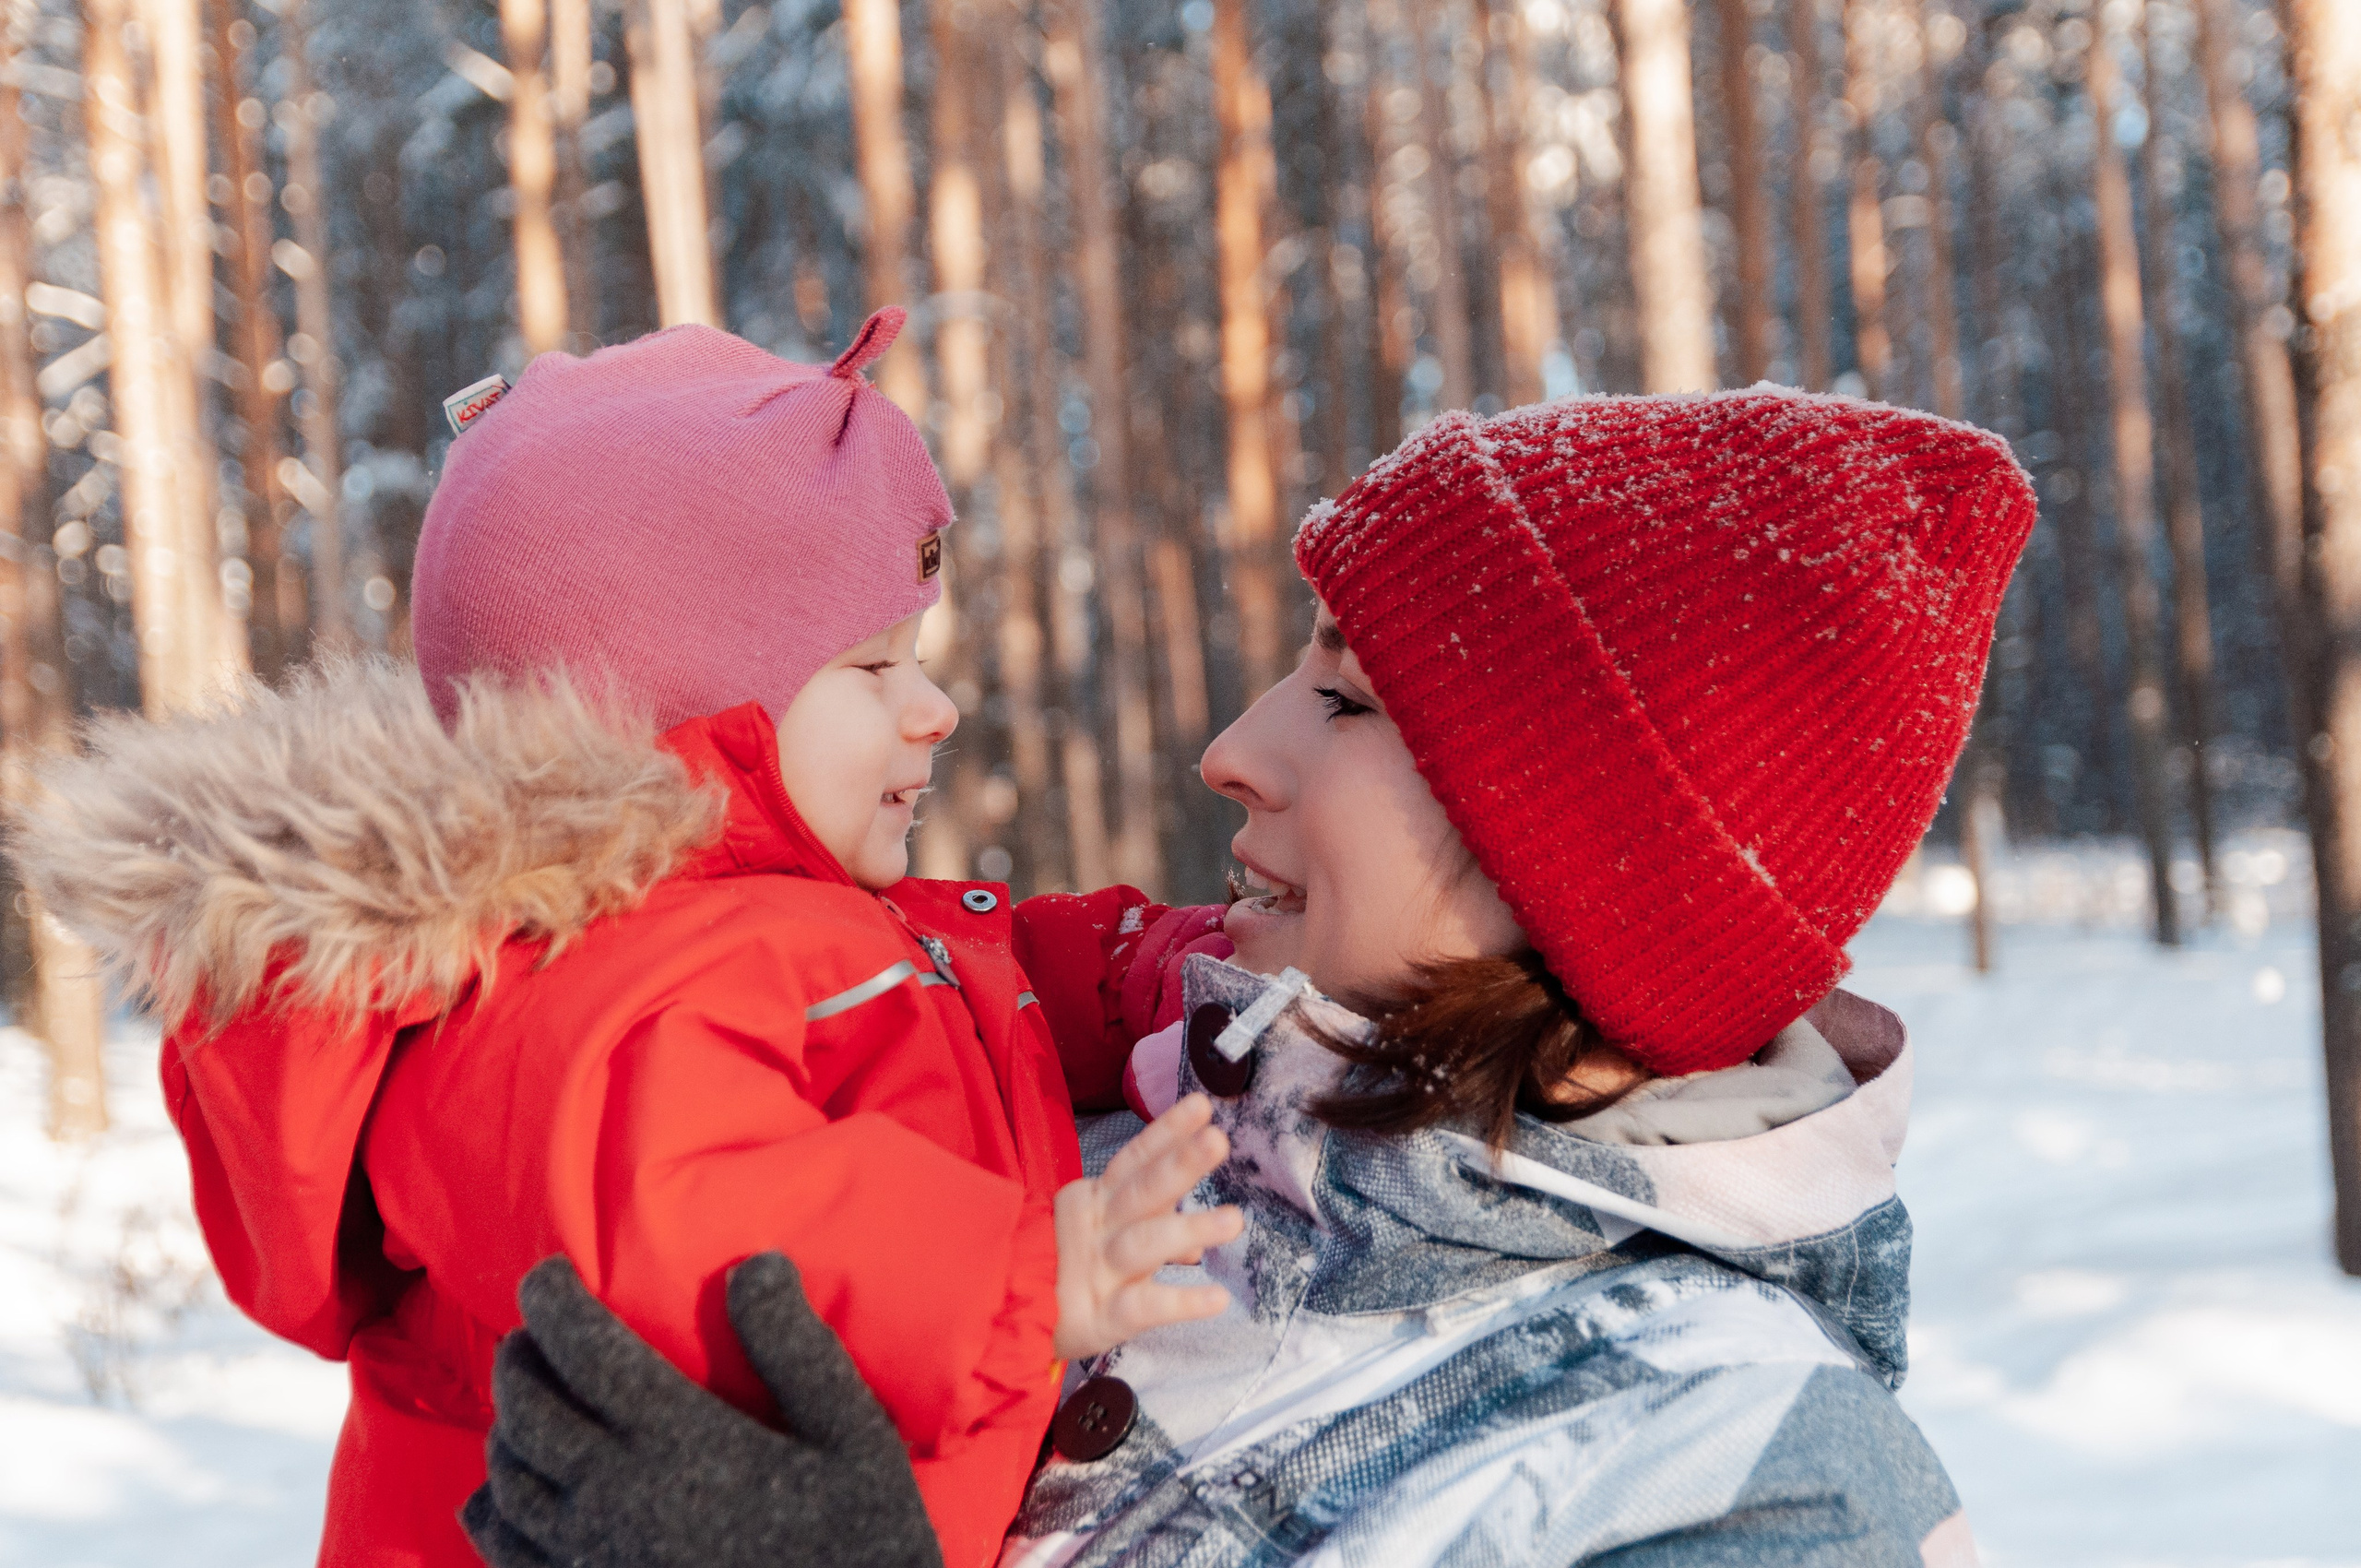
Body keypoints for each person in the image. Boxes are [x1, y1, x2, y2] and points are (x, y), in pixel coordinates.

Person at [465, 387, 2035, 1567]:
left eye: (1348, 704)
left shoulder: (1760, 1484)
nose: (1234, 750)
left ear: (1591, 855)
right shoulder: (1056, 1148)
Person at [11, 311, 1249, 1568]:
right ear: (672, 706)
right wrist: (1022, 1278)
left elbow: (981, 971)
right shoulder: (595, 987)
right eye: (873, 668)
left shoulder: (767, 923)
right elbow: (685, 1219)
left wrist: (1157, 964)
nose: (935, 709)